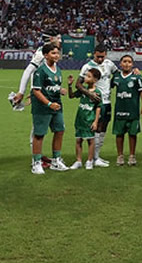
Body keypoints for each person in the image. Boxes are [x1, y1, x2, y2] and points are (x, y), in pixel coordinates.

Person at [13, 31, 62, 168]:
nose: (60, 40)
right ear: (51, 39)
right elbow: (28, 71)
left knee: (42, 127)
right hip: (40, 94)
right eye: (58, 38)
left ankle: (39, 156)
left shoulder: (50, 52)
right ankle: (36, 159)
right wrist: (22, 92)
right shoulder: (42, 53)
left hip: (44, 90)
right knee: (38, 128)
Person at [29, 43, 68, 175]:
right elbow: (36, 91)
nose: (56, 56)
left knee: (60, 131)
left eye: (57, 53)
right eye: (53, 53)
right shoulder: (40, 71)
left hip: (57, 105)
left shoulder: (58, 69)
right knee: (39, 134)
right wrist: (49, 104)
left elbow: (53, 86)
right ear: (46, 55)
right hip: (43, 107)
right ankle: (36, 162)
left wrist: (60, 90)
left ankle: (56, 160)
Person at [78, 45, 119, 167]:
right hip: (95, 103)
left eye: (102, 56)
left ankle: (97, 156)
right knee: (96, 128)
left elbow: (117, 73)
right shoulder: (87, 66)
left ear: (106, 54)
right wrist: (89, 93)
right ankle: (93, 157)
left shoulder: (109, 64)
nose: (100, 59)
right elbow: (78, 84)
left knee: (103, 128)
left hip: (107, 102)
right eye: (98, 56)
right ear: (94, 54)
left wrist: (113, 82)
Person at [110, 55, 142, 166]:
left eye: (129, 62)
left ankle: (132, 156)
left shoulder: (137, 77)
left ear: (133, 64)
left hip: (133, 111)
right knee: (119, 134)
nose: (127, 64)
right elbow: (109, 87)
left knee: (132, 134)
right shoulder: (116, 77)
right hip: (119, 110)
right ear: (120, 64)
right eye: (124, 61)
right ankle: (120, 156)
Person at [69, 68, 103, 170]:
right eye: (86, 75)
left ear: (95, 80)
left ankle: (89, 161)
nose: (85, 78)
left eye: (88, 76)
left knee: (90, 141)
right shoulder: (83, 90)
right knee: (78, 140)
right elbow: (71, 96)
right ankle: (78, 161)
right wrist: (70, 85)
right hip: (80, 119)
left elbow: (98, 107)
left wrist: (96, 121)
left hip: (89, 119)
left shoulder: (97, 92)